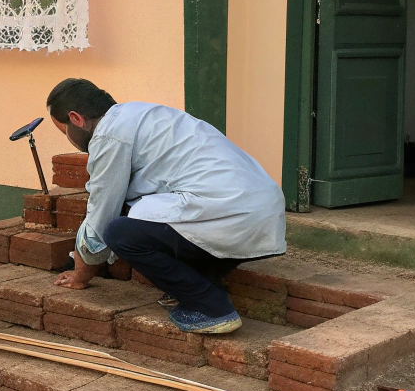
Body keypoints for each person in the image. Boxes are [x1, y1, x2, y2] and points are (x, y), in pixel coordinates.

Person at [46, 78, 285, 335]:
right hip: (265, 211)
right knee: (143, 215)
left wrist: (80, 274)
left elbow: (101, 213)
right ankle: (204, 282)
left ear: (76, 118)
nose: (69, 140)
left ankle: (210, 307)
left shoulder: (109, 135)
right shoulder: (143, 113)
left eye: (64, 131)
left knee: (120, 232)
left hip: (228, 211)